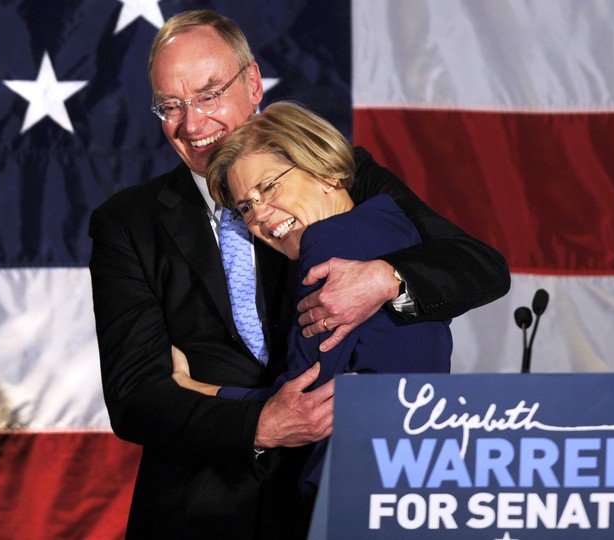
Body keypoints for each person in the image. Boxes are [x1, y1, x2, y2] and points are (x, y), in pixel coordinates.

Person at [88, 9, 509, 539]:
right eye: (171, 106)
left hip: (339, 504)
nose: (192, 124)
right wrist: (260, 425)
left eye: (209, 93)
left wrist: (383, 278)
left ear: (254, 83)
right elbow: (136, 397)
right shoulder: (128, 223)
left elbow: (480, 267)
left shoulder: (332, 170)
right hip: (198, 512)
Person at [173, 100, 453, 510]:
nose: (261, 217)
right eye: (246, 206)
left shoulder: (328, 240)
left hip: (359, 489)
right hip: (417, 481)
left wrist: (197, 389)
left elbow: (303, 401)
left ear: (323, 170)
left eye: (268, 187)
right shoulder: (392, 222)